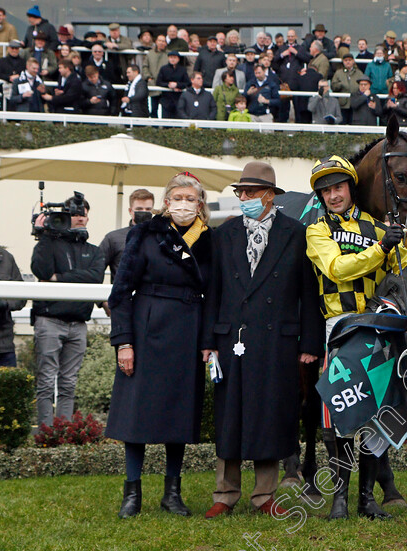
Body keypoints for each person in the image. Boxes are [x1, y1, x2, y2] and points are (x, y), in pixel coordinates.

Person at [202, 161, 322, 519]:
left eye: (251, 192)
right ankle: (225, 492)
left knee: (271, 412)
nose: (245, 198)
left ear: (270, 195)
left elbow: (309, 293)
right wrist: (208, 341)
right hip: (232, 340)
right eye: (241, 192)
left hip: (277, 342)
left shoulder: (297, 233)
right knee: (230, 415)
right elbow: (214, 292)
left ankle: (265, 494)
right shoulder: (223, 235)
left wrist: (310, 344)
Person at [305, 155, 407, 521]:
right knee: (341, 410)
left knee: (374, 413)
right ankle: (340, 500)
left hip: (377, 327)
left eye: (338, 187)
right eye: (325, 190)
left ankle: (367, 499)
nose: (333, 195)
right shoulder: (316, 230)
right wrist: (384, 248)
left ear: (351, 188)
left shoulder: (378, 227)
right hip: (338, 327)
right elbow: (337, 269)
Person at [105, 173, 212, 519]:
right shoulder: (145, 233)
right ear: (166, 202)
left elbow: (215, 295)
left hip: (188, 329)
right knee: (136, 413)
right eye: (176, 197)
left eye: (190, 199)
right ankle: (131, 492)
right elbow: (120, 292)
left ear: (200, 204)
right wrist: (124, 342)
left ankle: (172, 492)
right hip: (146, 326)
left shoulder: (209, 240)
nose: (183, 204)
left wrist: (207, 341)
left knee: (178, 414)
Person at [31, 193, 105, 428]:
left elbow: (95, 278)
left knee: (68, 383)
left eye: (83, 213)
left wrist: (59, 278)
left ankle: (61, 433)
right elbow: (41, 271)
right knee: (45, 381)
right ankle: (45, 433)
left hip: (78, 323)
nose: (79, 217)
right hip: (49, 320)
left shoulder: (94, 250)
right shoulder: (50, 244)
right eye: (74, 213)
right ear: (65, 216)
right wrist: (43, 235)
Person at [99, 188, 155, 281]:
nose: (144, 212)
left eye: (148, 209)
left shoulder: (161, 238)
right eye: (139, 209)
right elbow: (98, 269)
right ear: (130, 211)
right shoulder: (113, 238)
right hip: (123, 292)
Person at [0, 246, 25, 367]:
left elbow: (21, 297)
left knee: (7, 385)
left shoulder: (6, 259)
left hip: (3, 345)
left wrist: (4, 303)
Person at [331, 53, 363, 125]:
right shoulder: (338, 73)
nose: (348, 62)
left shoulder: (359, 73)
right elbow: (333, 86)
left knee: (354, 125)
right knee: (342, 124)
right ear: (343, 62)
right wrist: (341, 84)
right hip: (343, 104)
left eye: (349, 60)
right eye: (346, 60)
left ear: (353, 61)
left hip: (355, 103)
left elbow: (363, 86)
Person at [157, 51, 190, 119]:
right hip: (166, 98)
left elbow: (187, 83)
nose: (173, 59)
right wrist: (168, 85)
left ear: (178, 59)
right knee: (166, 120)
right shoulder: (163, 69)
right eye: (171, 57)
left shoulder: (182, 69)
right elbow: (159, 82)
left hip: (178, 98)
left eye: (175, 58)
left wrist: (177, 85)